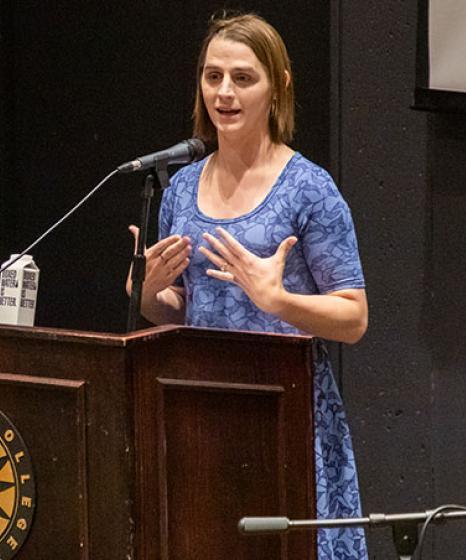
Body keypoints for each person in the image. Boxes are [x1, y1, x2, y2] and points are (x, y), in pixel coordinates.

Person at [127, 12, 368, 559]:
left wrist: (277, 300)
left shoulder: (310, 189)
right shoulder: (182, 189)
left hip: (286, 415)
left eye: (242, 78)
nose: (224, 93)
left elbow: (353, 318)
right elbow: (180, 310)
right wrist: (148, 293)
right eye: (213, 77)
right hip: (200, 412)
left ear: (277, 86)